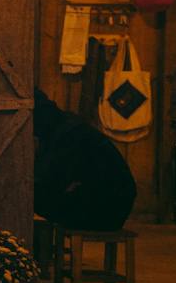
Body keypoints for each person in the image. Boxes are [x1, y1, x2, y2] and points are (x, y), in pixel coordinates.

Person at [32, 89, 136, 230]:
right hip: (110, 203)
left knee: (35, 197)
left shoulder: (67, 133)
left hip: (108, 210)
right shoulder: (65, 127)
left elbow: (53, 179)